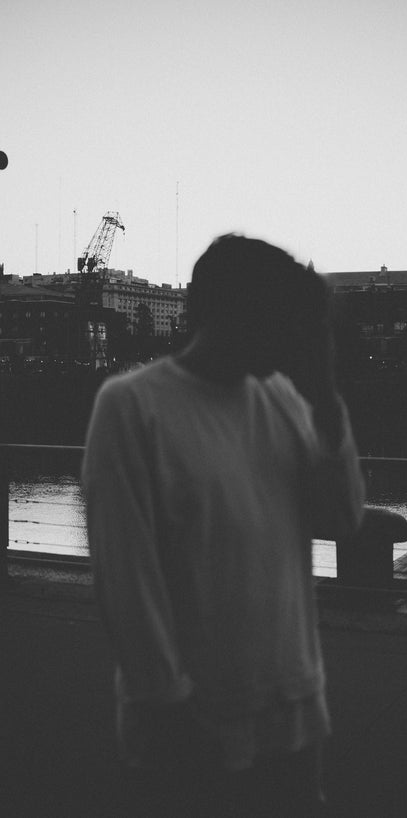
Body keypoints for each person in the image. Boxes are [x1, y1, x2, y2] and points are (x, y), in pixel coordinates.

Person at [82, 234, 365, 817]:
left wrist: (327, 402)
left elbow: (342, 517)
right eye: (285, 317)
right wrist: (168, 708)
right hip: (189, 729)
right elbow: (126, 580)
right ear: (241, 312)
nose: (294, 335)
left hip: (292, 715)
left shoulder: (287, 400)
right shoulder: (133, 408)